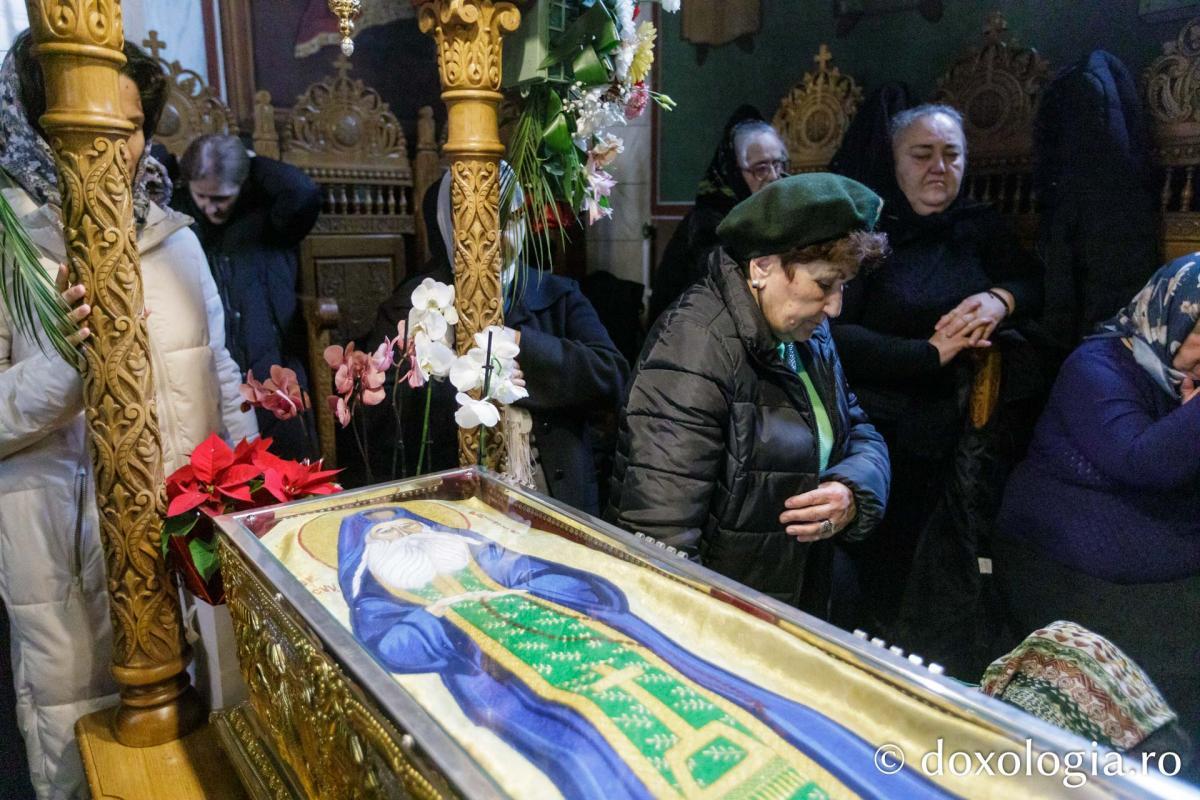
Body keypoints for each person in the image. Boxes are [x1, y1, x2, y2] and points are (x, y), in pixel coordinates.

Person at [0, 34, 257, 799]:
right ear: (39, 119)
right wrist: (71, 368)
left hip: (190, 547)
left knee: (211, 759)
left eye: (133, 123)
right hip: (67, 560)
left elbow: (219, 375)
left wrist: (254, 508)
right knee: (93, 763)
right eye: (90, 119)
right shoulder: (11, 246)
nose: (116, 142)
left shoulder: (176, 239)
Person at [338, 506, 953, 799]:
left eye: (410, 526)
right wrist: (446, 618)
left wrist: (525, 591)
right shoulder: (383, 597)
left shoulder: (483, 557)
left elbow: (571, 583)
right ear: (370, 556)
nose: (405, 535)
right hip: (527, 688)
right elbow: (391, 645)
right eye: (389, 534)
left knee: (729, 713)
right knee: (603, 753)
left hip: (622, 654)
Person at [608, 173, 891, 610]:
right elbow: (661, 537)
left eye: (843, 286)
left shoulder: (806, 331)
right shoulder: (693, 345)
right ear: (762, 267)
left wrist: (852, 490)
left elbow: (858, 429)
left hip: (787, 598)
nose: (836, 306)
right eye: (824, 284)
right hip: (720, 617)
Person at [828, 104, 1044, 669]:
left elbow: (1033, 283)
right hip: (876, 418)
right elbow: (836, 334)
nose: (939, 168)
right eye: (922, 155)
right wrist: (928, 354)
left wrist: (1000, 299)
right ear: (895, 161)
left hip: (962, 427)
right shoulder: (870, 232)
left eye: (952, 155)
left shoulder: (978, 225)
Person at [994, 256, 1200, 753]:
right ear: (1171, 316)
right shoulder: (1097, 366)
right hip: (1065, 561)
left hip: (1157, 553)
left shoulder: (1182, 380)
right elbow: (1143, 462)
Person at [367, 168, 629, 515]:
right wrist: (466, 379)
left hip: (554, 497)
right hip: (450, 505)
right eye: (484, 220)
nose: (499, 236)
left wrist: (521, 346)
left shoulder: (557, 295)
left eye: (511, 219)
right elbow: (384, 419)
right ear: (450, 223)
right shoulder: (412, 306)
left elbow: (611, 375)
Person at [173, 134, 322, 461]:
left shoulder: (270, 213)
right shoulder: (181, 215)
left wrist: (250, 163)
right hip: (208, 367)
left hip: (269, 361)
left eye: (222, 197)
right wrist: (175, 164)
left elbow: (303, 192)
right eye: (202, 196)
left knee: (286, 464)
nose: (211, 207)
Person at [648, 106, 789, 324]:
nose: (773, 176)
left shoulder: (781, 209)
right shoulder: (709, 223)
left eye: (777, 164)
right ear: (734, 171)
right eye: (761, 168)